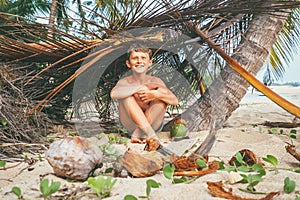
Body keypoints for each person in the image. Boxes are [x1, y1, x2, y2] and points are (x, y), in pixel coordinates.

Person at [110, 45, 178, 143]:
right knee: (126, 97)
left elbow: (174, 101)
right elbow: (114, 94)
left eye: (143, 58)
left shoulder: (155, 81)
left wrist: (155, 94)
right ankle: (148, 133)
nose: (139, 61)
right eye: (135, 58)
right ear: (128, 63)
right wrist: (140, 88)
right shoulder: (125, 82)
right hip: (130, 125)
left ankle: (139, 132)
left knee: (161, 95)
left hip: (153, 124)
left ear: (149, 62)